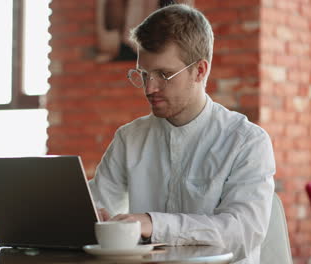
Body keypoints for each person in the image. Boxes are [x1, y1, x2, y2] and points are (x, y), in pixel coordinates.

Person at [88, 4, 275, 264]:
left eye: (164, 75)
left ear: (199, 71)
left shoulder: (247, 142)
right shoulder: (128, 139)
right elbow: (97, 207)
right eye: (144, 74)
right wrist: (95, 219)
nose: (149, 88)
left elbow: (242, 233)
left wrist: (153, 224)